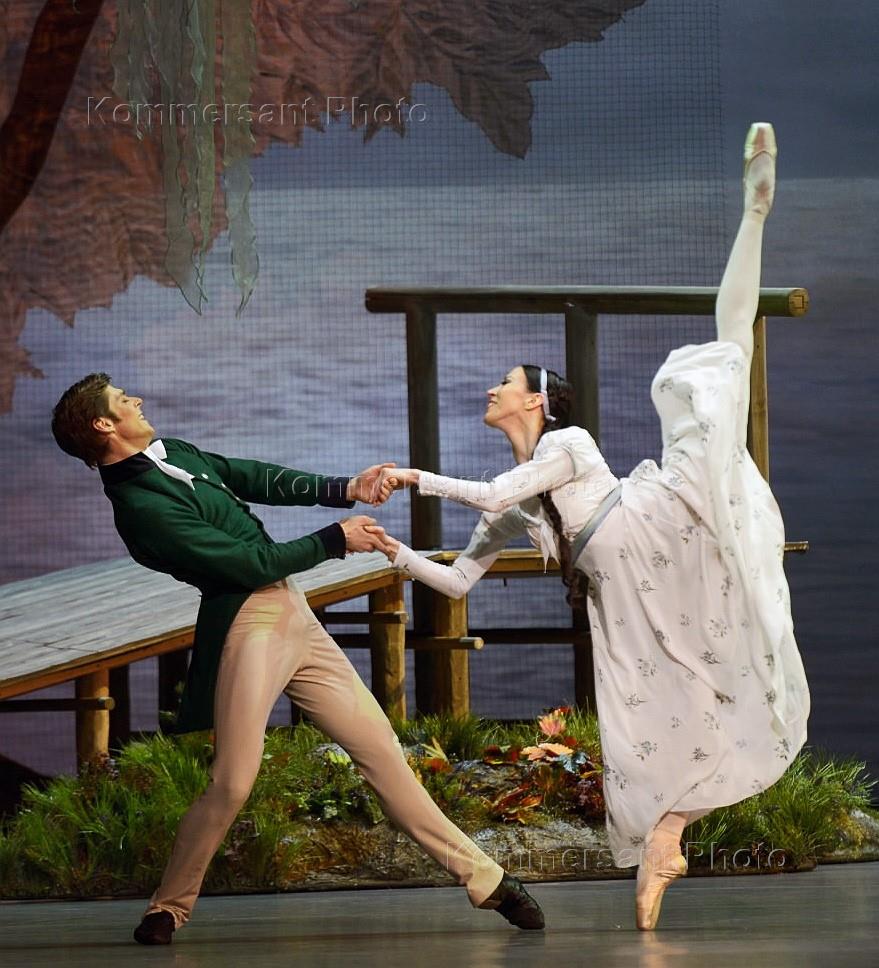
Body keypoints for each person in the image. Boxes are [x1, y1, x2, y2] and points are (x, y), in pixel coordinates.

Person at [373, 123, 810, 930]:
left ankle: (754, 211)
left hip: (657, 528)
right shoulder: (519, 503)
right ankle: (665, 842)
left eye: (505, 381)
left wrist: (412, 477)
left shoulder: (566, 445)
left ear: (535, 400)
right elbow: (458, 580)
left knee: (718, 370)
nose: (492, 389)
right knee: (648, 728)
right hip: (623, 594)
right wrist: (396, 552)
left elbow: (496, 489)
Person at [50, 380, 545, 943]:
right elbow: (249, 564)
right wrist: (336, 539)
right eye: (122, 400)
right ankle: (167, 907)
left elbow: (250, 476)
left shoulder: (175, 452)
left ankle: (486, 879)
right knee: (233, 781)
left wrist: (345, 488)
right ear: (103, 426)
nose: (136, 401)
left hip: (293, 613)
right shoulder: (141, 510)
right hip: (250, 623)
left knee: (382, 751)